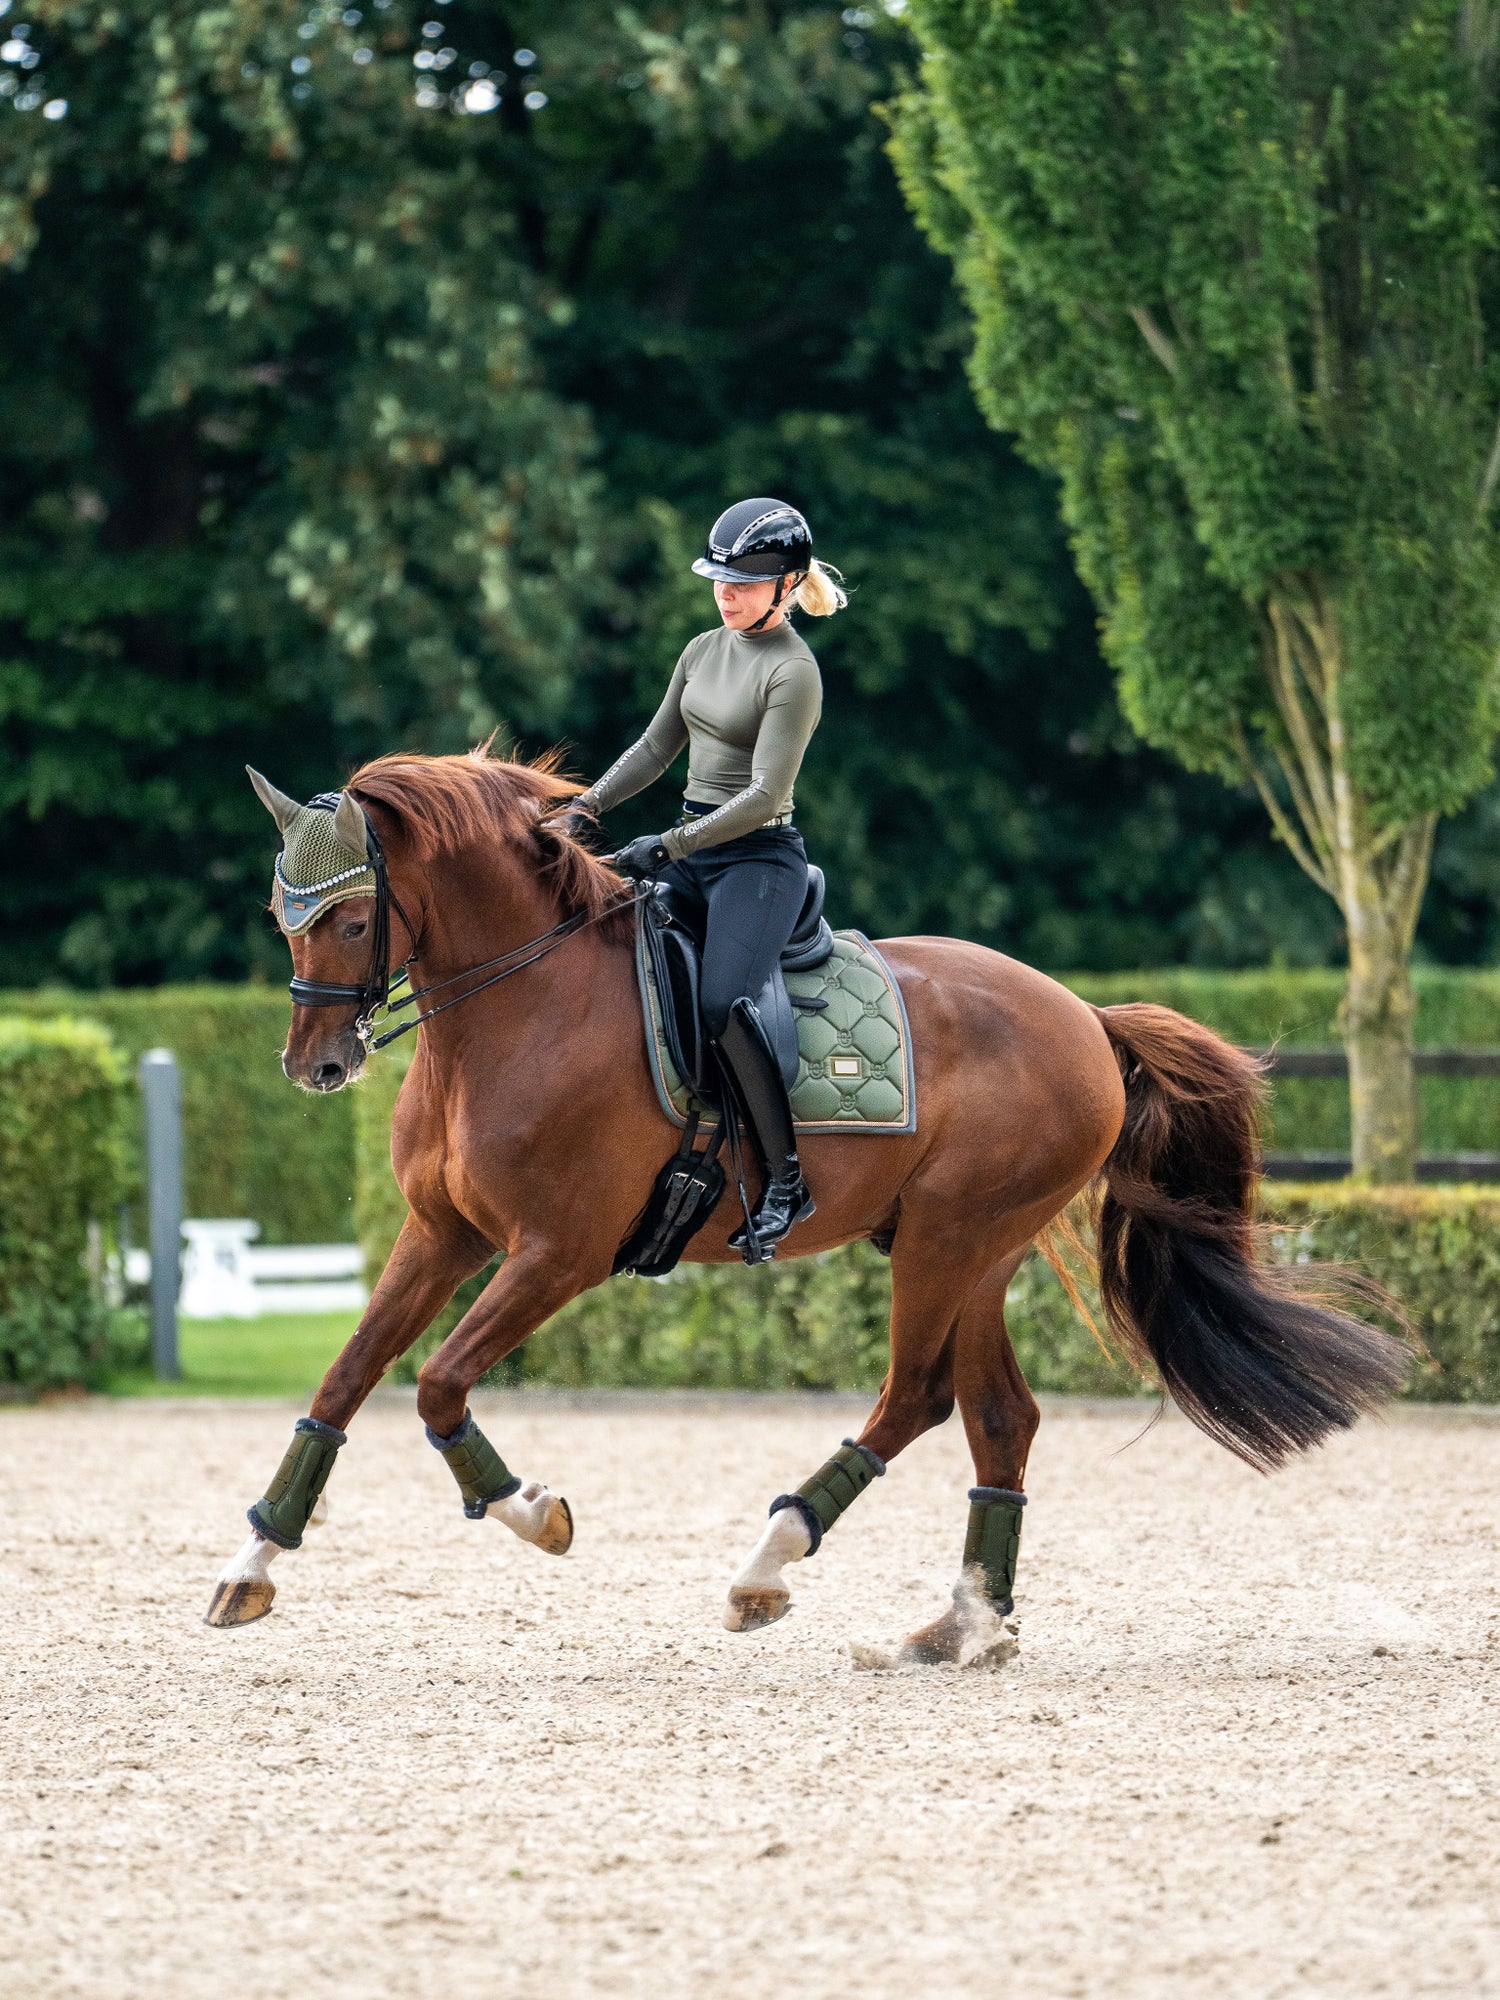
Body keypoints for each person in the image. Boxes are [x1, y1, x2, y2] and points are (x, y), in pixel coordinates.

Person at [579, 497, 846, 1255]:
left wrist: (667, 845)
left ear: (786, 585)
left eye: (744, 582)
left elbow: (763, 795)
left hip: (757, 861)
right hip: (692, 849)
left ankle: (787, 1180)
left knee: (724, 1002)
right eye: (718, 580)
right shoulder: (701, 649)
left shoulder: (794, 670)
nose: (726, 593)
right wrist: (585, 807)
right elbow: (654, 748)